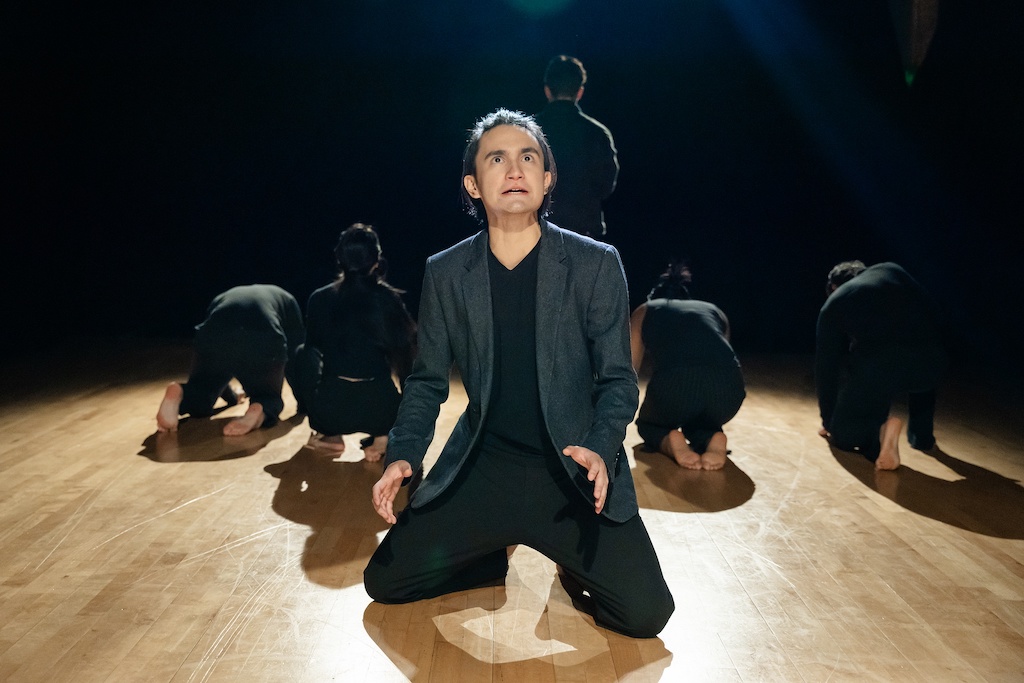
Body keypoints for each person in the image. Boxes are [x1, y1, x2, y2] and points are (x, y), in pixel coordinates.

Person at [363, 109, 674, 638]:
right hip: (486, 466)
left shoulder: (595, 263)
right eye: (497, 158)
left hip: (572, 470)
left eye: (528, 157)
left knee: (646, 615)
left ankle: (567, 563)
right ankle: (488, 555)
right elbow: (427, 381)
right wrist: (403, 456)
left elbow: (619, 380)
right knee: (386, 582)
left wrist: (600, 446)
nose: (515, 169)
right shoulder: (446, 272)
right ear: (473, 184)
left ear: (547, 178)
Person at [291, 224, 416, 461]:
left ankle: (330, 437)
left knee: (301, 352)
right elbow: (406, 364)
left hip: (330, 410)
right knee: (404, 363)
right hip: (381, 409)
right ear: (376, 261)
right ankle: (382, 439)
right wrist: (402, 416)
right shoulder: (388, 299)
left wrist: (313, 408)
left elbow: (308, 358)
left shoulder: (319, 298)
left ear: (339, 259)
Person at [816, 261, 947, 470]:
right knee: (915, 365)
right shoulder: (893, 270)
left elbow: (826, 368)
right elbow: (933, 312)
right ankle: (922, 439)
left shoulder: (836, 302)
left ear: (834, 288)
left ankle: (878, 432)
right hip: (931, 362)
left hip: (880, 366)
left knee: (844, 434)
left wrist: (828, 420)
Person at [630, 261, 746, 471]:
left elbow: (629, 369)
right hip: (731, 392)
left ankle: (669, 438)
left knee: (648, 424)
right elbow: (721, 357)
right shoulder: (714, 310)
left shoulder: (646, 309)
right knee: (701, 421)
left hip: (677, 387)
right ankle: (712, 437)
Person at [156, 284, 305, 436]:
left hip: (213, 334)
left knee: (202, 391)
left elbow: (220, 370)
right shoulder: (288, 300)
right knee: (267, 397)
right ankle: (260, 407)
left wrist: (232, 398)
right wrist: (304, 402)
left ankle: (181, 392)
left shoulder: (222, 298)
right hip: (261, 334)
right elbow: (297, 355)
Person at [534, 55, 619, 238]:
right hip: (584, 232)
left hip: (538, 233)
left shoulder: (528, 132)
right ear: (579, 92)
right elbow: (606, 186)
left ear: (547, 91)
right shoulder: (597, 133)